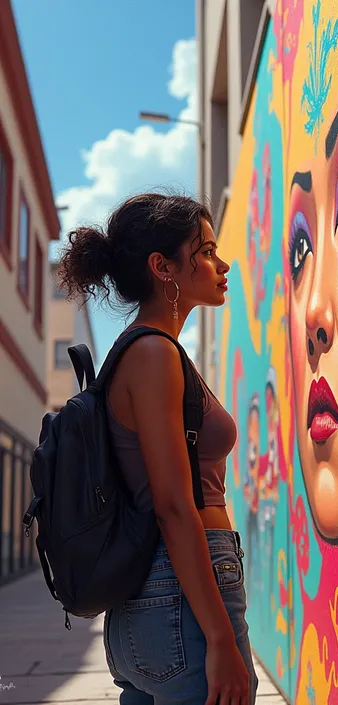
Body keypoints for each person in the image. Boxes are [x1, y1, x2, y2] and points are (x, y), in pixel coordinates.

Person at [58, 193, 258, 705]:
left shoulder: (142, 351)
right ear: (162, 266)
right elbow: (173, 504)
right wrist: (218, 638)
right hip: (182, 595)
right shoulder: (153, 353)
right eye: (207, 250)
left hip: (149, 600)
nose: (223, 263)